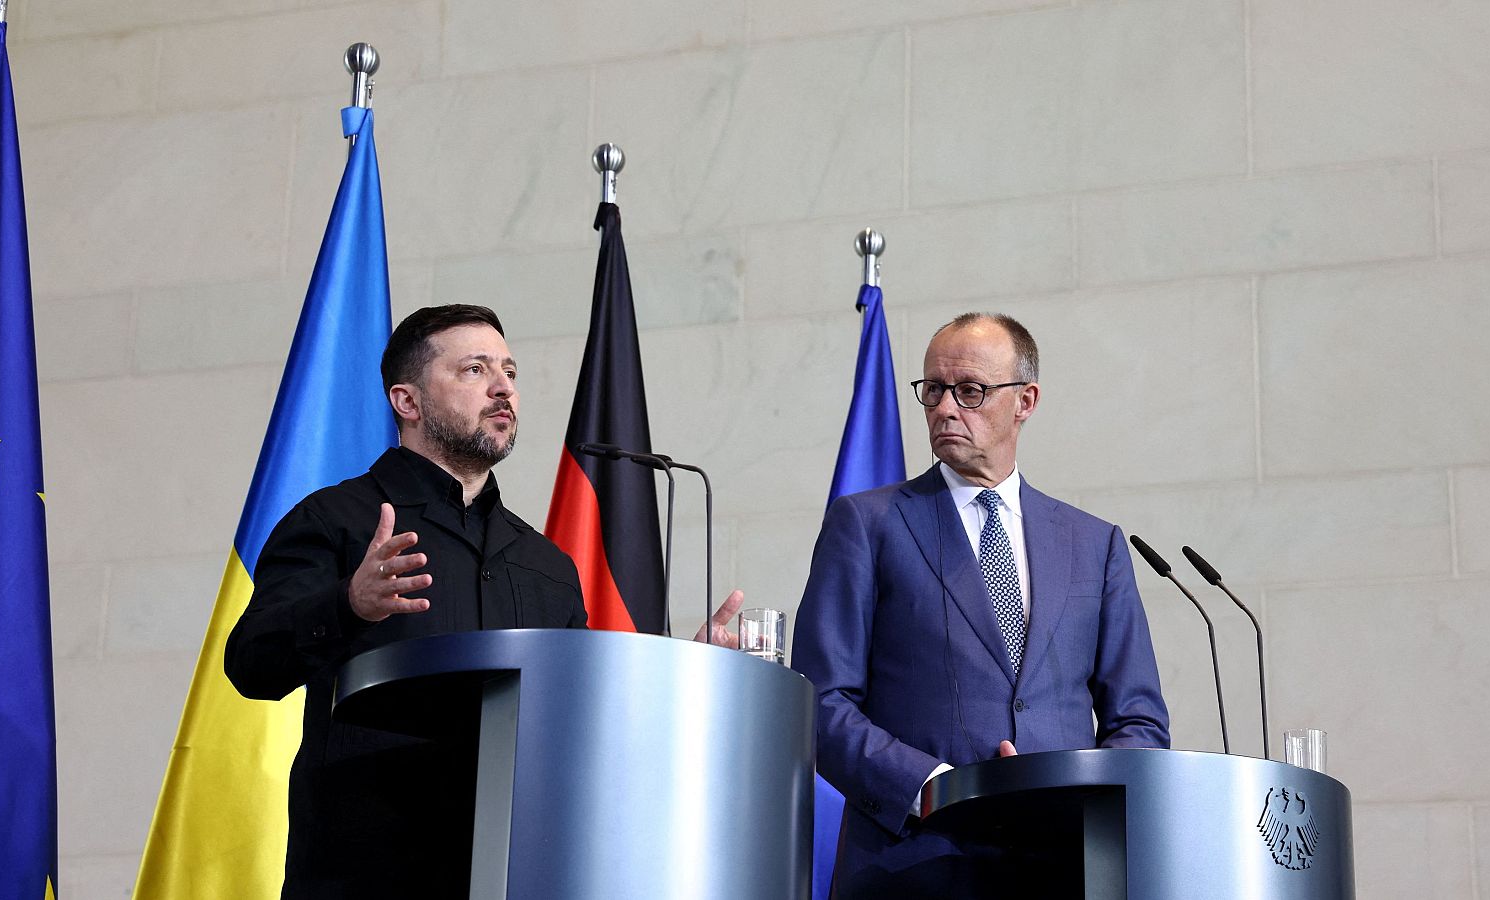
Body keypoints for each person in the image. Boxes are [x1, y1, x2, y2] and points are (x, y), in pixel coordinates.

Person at [225, 304, 743, 898]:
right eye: (474, 370)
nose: (503, 389)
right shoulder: (337, 519)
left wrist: (679, 678)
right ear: (407, 401)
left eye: (510, 372)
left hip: (521, 868)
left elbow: (580, 714)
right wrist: (351, 603)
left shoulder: (545, 564)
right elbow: (250, 665)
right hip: (370, 872)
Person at [790, 312, 1171, 897]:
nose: (945, 409)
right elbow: (822, 699)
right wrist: (935, 789)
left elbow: (1138, 720)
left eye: (970, 391)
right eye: (933, 390)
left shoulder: (1093, 544)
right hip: (915, 862)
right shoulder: (867, 524)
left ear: (1026, 401)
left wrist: (1073, 796)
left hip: (1064, 868)